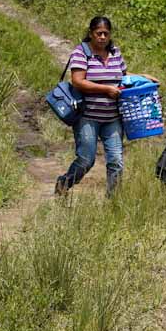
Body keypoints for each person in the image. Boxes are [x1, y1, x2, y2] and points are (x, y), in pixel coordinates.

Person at [55, 15, 128, 196]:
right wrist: (106, 89)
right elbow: (78, 81)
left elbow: (123, 77)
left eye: (106, 34)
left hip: (112, 117)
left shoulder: (115, 52)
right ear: (91, 33)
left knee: (116, 160)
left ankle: (113, 201)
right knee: (86, 160)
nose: (102, 37)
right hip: (87, 117)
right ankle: (64, 183)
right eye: (99, 33)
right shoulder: (81, 52)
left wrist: (143, 77)